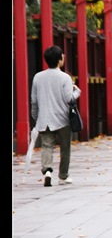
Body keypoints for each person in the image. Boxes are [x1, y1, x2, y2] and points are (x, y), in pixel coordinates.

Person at [31, 45, 81, 187]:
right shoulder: (64, 77)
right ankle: (63, 176)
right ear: (60, 60)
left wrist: (36, 117)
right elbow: (69, 99)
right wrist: (77, 92)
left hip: (44, 119)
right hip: (62, 119)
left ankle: (47, 170)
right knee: (65, 147)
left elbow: (34, 101)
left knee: (47, 146)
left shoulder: (38, 77)